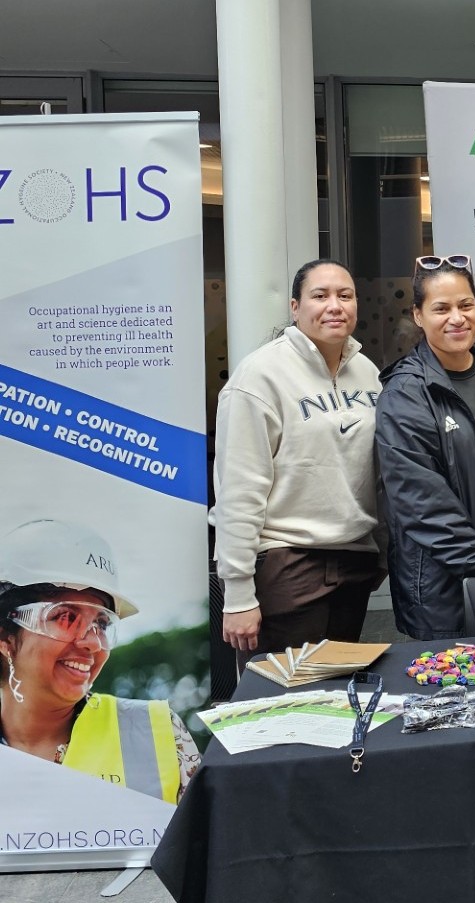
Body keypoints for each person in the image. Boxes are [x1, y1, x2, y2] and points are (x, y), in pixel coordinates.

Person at [212, 259, 385, 670]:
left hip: (353, 563)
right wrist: (237, 594)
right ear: (294, 306)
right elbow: (239, 490)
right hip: (288, 565)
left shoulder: (368, 373)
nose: (334, 306)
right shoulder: (259, 377)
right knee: (283, 703)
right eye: (320, 296)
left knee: (338, 697)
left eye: (345, 296)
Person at [375, 255, 475, 641]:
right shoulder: (405, 394)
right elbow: (419, 499)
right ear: (417, 315)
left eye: (466, 305)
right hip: (444, 587)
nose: (457, 318)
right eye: (441, 309)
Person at [0, 520, 199, 804]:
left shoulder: (158, 734)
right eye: (65, 617)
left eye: (102, 624)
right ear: (5, 636)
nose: (92, 642)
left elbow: (209, 841)